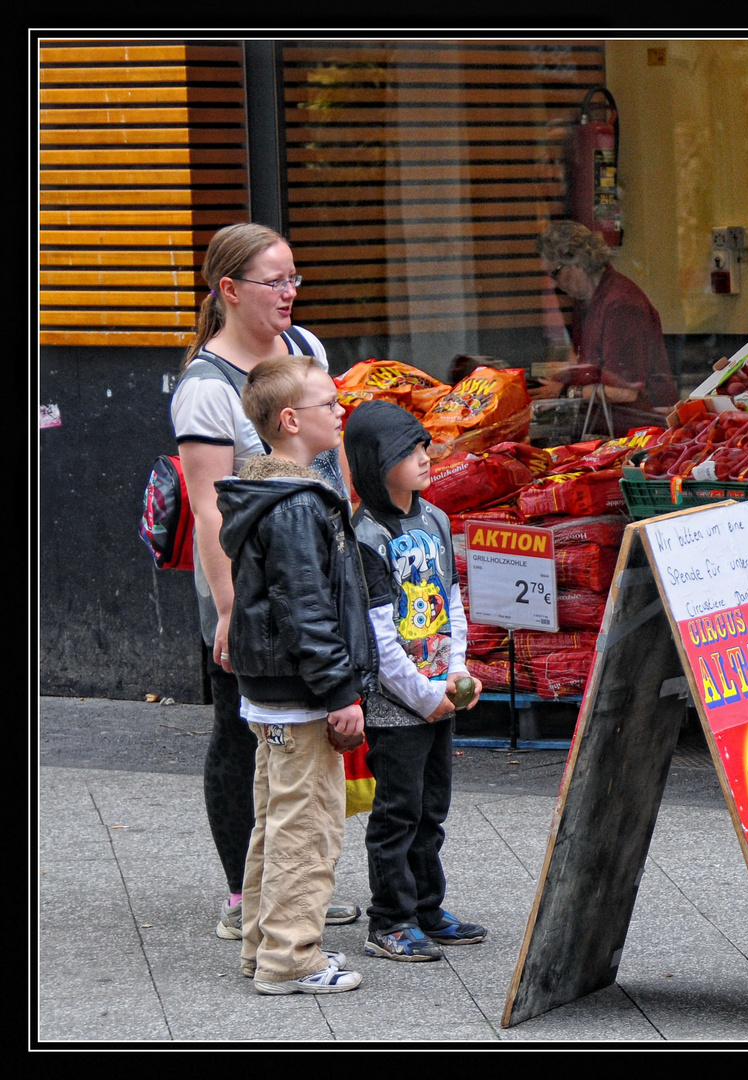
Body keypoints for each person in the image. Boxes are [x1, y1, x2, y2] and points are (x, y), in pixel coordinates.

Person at [169, 222, 360, 939]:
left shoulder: (305, 349)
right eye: (275, 280)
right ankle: (244, 898)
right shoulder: (205, 388)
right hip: (245, 588)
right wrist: (226, 610)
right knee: (240, 731)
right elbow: (209, 505)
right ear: (229, 290)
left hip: (316, 572)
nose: (290, 293)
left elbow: (329, 458)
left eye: (294, 279)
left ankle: (291, 883)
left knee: (305, 731)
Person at [215, 356, 376, 995]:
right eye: (328, 404)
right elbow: (307, 608)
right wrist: (340, 691)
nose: (340, 413)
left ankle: (263, 948)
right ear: (290, 420)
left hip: (274, 691)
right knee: (306, 830)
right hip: (301, 694)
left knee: (277, 822)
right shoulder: (296, 504)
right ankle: (291, 958)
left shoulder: (268, 493)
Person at [343, 400, 488, 961]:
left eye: (424, 445)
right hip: (394, 705)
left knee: (433, 809)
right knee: (397, 814)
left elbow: (451, 599)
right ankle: (390, 920)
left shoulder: (437, 519)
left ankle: (428, 908)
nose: (426, 457)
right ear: (375, 463)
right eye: (410, 450)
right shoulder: (364, 537)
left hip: (437, 696)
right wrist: (425, 697)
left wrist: (455, 671)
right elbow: (378, 641)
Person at [532, 219, 678, 432]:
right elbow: (595, 365)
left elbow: (626, 391)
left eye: (555, 273)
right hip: (611, 424)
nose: (555, 284)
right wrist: (571, 372)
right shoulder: (589, 301)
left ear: (577, 262)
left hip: (641, 428)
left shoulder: (621, 304)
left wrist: (565, 392)